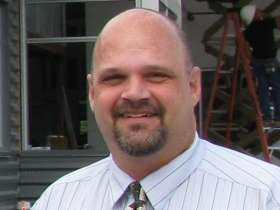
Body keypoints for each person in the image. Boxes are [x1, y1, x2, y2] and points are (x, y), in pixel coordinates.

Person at [31, 8, 280, 210]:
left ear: (193, 86)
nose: (135, 93)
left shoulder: (265, 197)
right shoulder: (58, 201)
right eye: (114, 78)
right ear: (92, 93)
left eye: (156, 75)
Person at [240, 5, 280, 125]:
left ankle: (267, 116)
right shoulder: (266, 24)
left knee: (263, 89)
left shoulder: (248, 30)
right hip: (269, 60)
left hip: (257, 60)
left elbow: (245, 46)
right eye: (257, 11)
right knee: (277, 88)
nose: (260, 12)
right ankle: (278, 116)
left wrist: (249, 59)